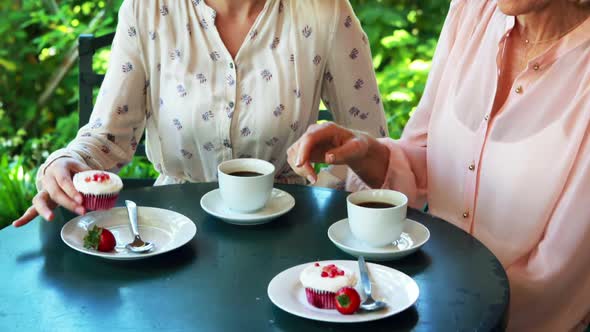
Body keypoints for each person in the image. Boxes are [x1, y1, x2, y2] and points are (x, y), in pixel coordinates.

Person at [287, 0, 590, 331]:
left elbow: (555, 278)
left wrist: (420, 297)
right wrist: (365, 153)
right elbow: (428, 159)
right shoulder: (471, 11)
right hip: (427, 299)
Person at [13, 0, 388, 226]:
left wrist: (322, 201)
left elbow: (370, 142)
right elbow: (107, 137)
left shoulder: (324, 10)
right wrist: (64, 166)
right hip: (172, 232)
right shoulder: (148, 9)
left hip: (288, 228)